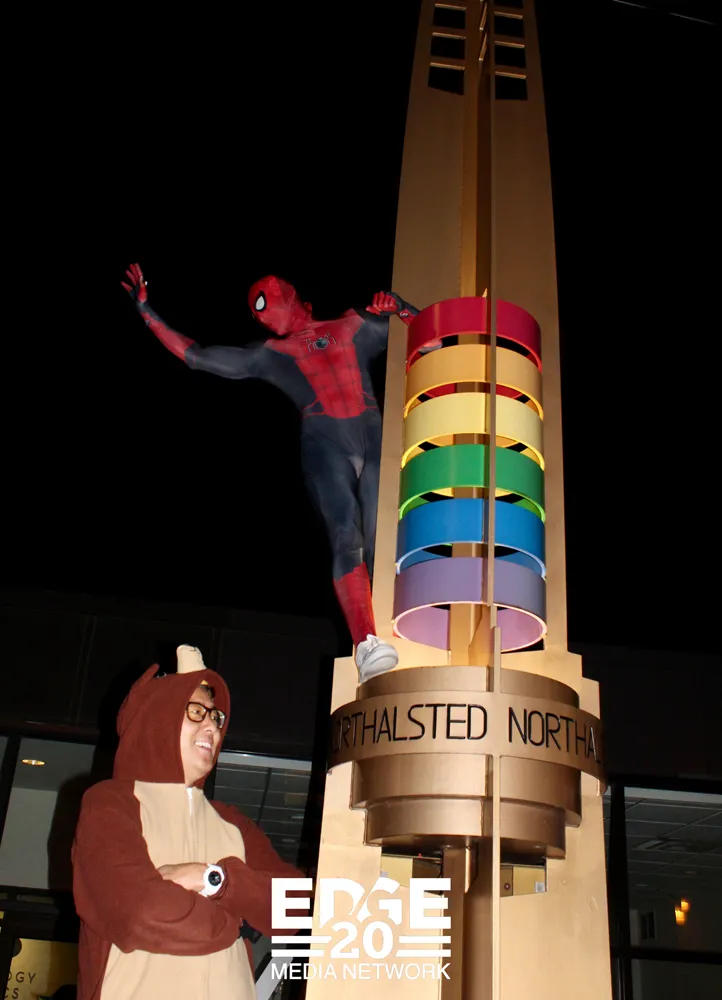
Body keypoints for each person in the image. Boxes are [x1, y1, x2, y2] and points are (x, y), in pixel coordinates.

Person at [122, 263, 425, 682]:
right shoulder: (271, 354)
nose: (263, 313)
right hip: (325, 446)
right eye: (258, 311)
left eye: (268, 302)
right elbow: (197, 356)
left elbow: (430, 339)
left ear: (297, 297)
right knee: (345, 533)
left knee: (380, 535)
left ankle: (395, 624)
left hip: (372, 436)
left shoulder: (353, 323)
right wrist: (146, 312)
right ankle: (366, 643)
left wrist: (400, 307)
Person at [72, 645, 302, 1000]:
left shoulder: (232, 822)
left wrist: (217, 881)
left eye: (216, 717)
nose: (212, 726)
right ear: (156, 718)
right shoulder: (111, 803)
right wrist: (230, 923)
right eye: (196, 711)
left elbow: (297, 907)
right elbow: (138, 913)